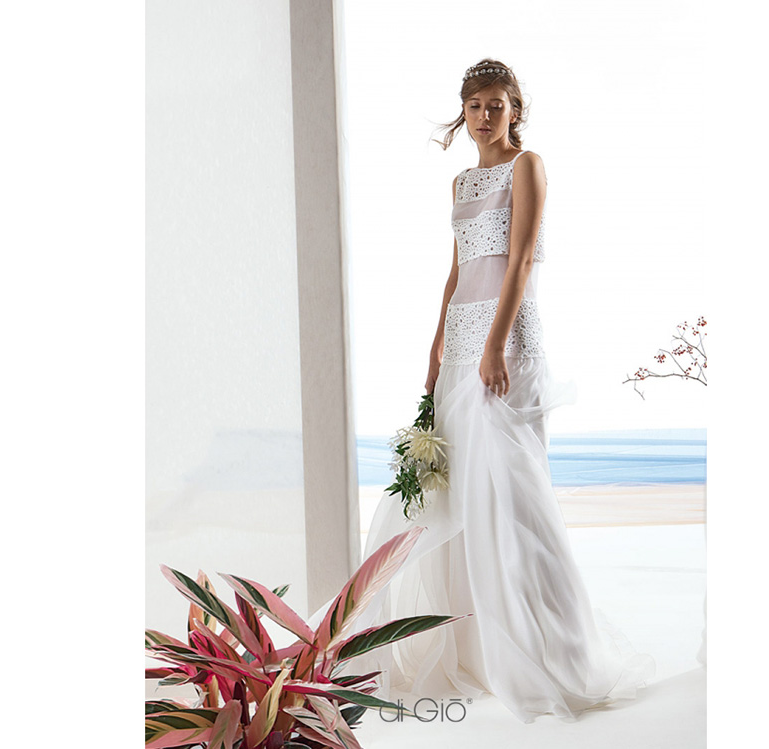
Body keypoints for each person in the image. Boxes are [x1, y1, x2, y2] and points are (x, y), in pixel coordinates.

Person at [309, 58, 655, 725]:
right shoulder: (462, 181)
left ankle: (554, 651)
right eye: (475, 106)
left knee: (512, 491)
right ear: (463, 113)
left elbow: (518, 259)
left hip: (507, 341)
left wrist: (495, 343)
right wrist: (437, 343)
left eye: (497, 104)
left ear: (515, 110)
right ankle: (467, 647)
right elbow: (458, 269)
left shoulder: (528, 166)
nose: (485, 116)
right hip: (462, 341)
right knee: (457, 487)